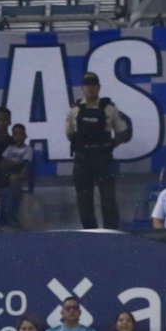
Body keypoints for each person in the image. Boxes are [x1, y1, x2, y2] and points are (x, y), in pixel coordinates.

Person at [66, 71, 130, 230]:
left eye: (93, 85)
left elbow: (122, 132)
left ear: (99, 87)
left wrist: (110, 145)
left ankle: (111, 232)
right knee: (84, 201)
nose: (90, 88)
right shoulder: (75, 110)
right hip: (82, 160)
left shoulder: (109, 108)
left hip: (103, 159)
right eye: (87, 85)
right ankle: (90, 232)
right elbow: (70, 134)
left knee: (108, 199)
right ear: (83, 88)